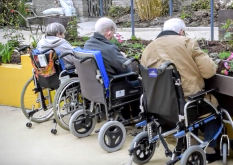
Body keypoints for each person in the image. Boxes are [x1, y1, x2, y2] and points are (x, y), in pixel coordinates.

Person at [141, 18, 221, 163]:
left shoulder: (148, 49)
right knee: (213, 109)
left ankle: (189, 145)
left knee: (188, 113)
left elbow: (148, 75)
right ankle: (210, 150)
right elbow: (209, 71)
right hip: (186, 104)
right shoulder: (187, 42)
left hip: (157, 104)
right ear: (181, 32)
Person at [84, 17, 140, 119]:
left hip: (93, 87)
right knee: (138, 82)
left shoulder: (88, 44)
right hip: (112, 86)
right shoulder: (109, 49)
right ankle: (135, 116)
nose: (113, 36)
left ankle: (126, 115)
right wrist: (122, 57)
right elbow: (126, 69)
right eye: (113, 33)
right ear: (109, 33)